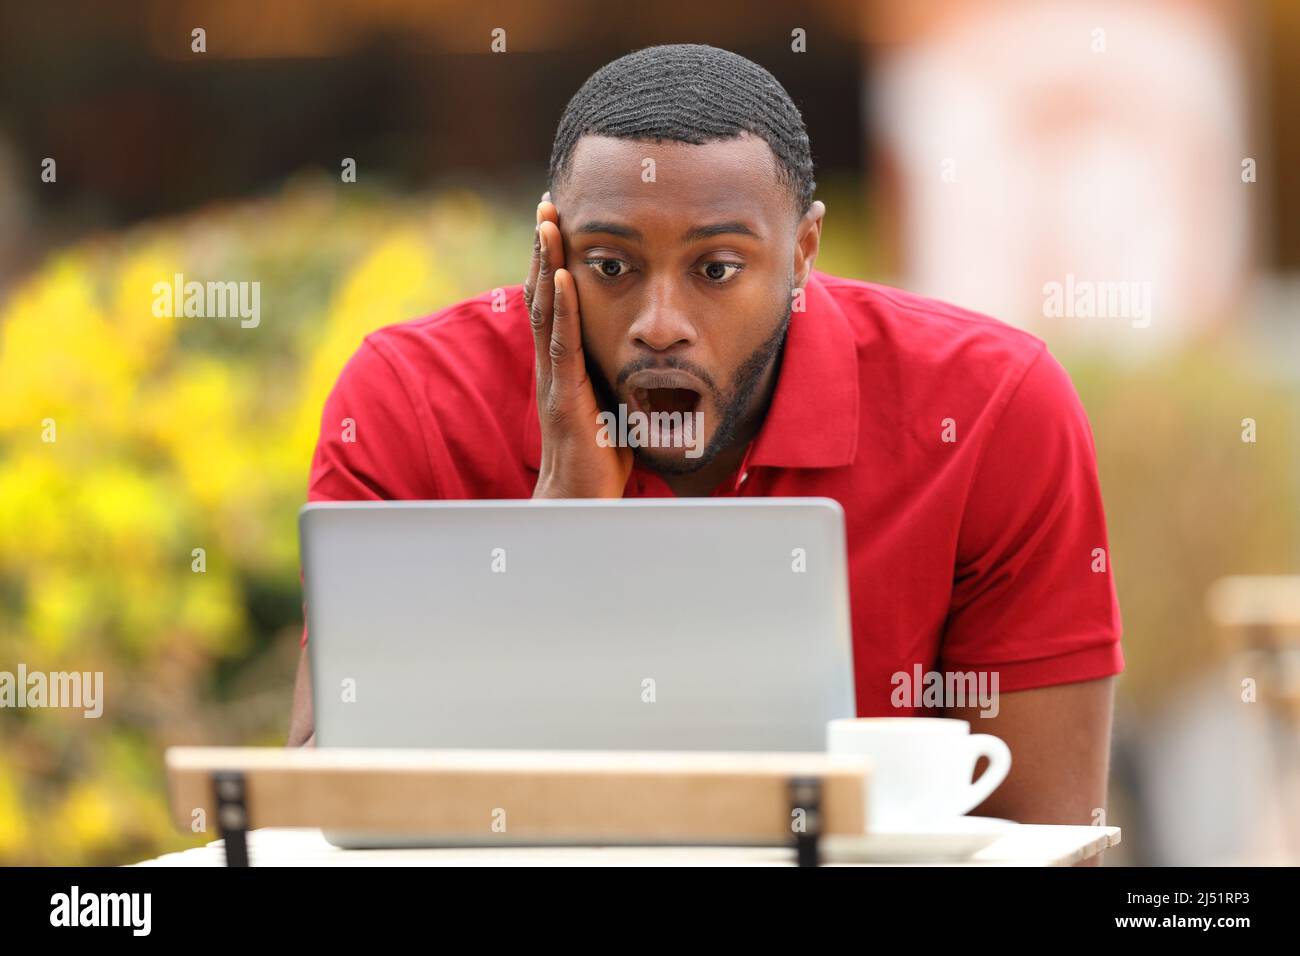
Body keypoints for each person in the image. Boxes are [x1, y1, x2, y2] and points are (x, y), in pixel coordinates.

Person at [288, 44, 1123, 836]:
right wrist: (553, 529)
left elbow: (1043, 839)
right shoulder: (410, 401)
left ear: (802, 253)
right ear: (552, 249)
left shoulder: (989, 409)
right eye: (610, 265)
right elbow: (313, 810)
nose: (660, 326)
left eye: (716, 267)